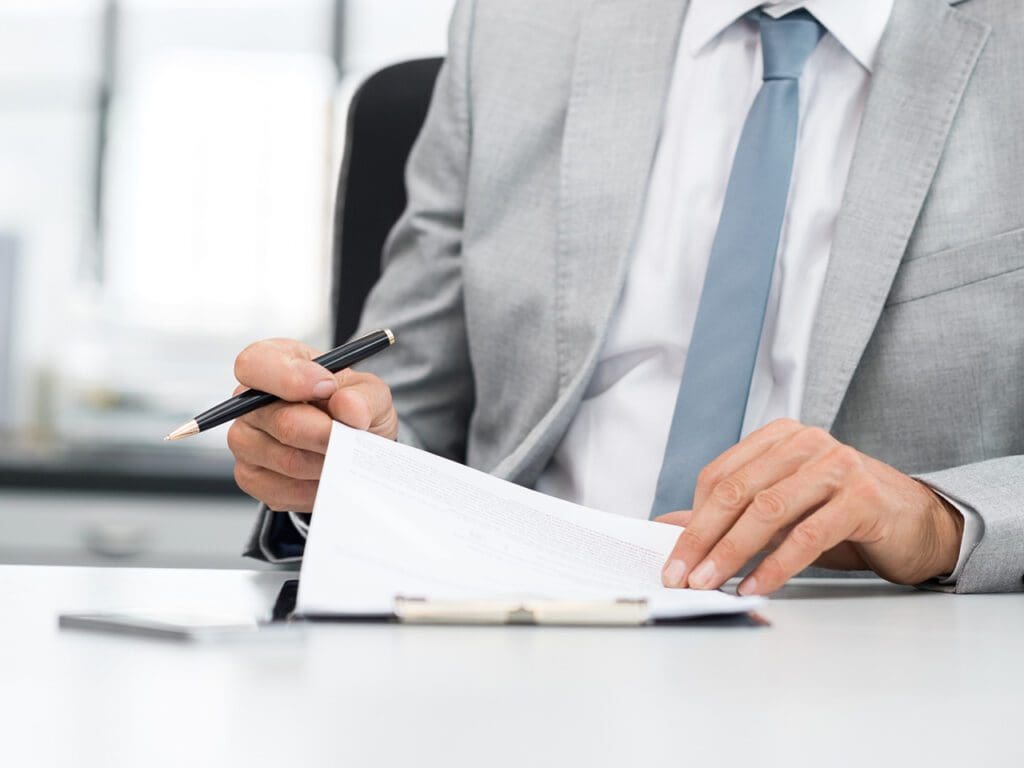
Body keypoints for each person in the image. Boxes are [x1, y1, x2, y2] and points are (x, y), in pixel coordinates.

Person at [233, 0, 1023, 594]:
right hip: (519, 625)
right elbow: (407, 402)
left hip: (867, 638)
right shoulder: (518, 26)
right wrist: (330, 450)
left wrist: (937, 519)